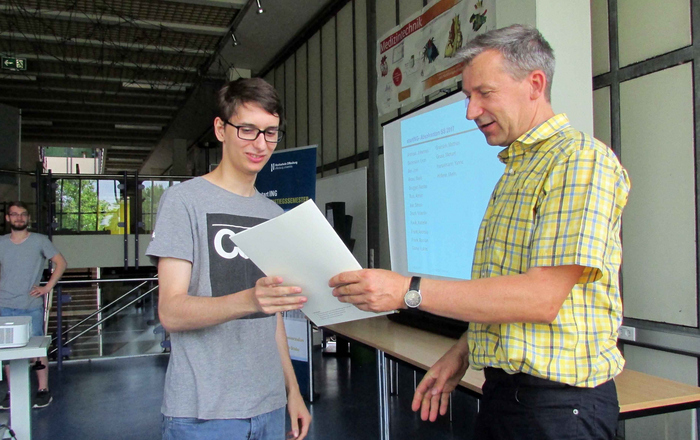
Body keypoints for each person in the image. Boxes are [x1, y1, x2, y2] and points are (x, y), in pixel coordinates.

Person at [329, 24, 630, 440]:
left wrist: (407, 290)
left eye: (484, 93)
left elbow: (541, 298)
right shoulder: (518, 169)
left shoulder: (579, 161)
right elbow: (506, 294)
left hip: (559, 409)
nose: (471, 111)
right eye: (468, 96)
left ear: (535, 84)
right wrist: (460, 354)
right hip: (507, 396)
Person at [146, 78, 312, 440]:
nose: (260, 144)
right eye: (247, 130)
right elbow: (171, 311)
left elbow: (273, 318)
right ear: (221, 129)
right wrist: (250, 299)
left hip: (269, 407)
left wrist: (293, 391)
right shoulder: (183, 201)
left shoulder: (273, 214)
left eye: (270, 132)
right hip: (202, 414)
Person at [0, 201, 67, 409]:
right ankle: (12, 391)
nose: (19, 218)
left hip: (30, 305)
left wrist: (47, 287)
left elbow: (61, 263)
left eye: (23, 214)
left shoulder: (39, 241)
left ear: (28, 218)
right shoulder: (1, 242)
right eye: (14, 214)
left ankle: (43, 389)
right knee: (8, 351)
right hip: (4, 305)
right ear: (8, 218)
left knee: (37, 348)